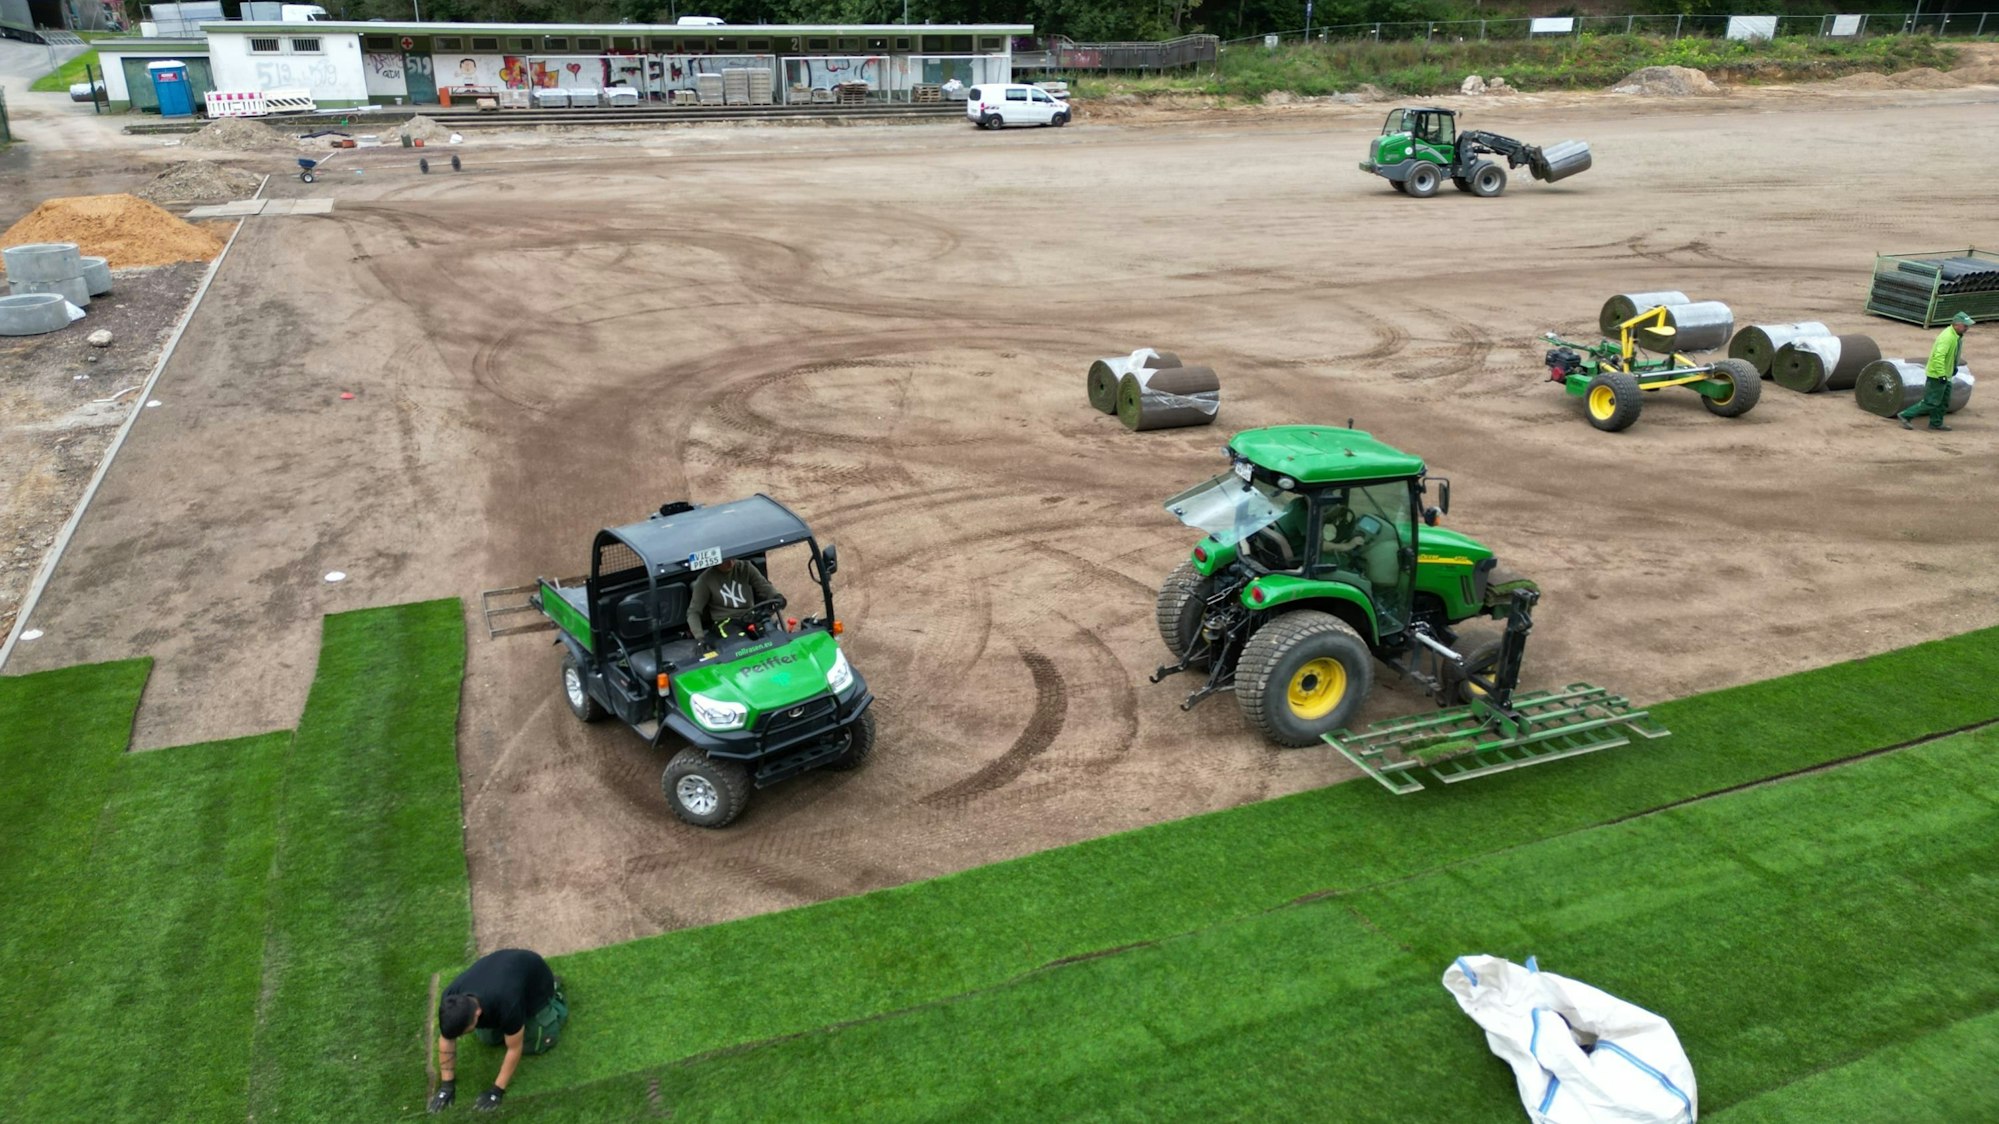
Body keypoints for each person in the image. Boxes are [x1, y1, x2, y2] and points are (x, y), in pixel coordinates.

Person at [428, 949, 567, 1114]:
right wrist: (446, 1086)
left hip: (535, 980)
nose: (460, 1036)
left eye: (463, 1032)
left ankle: (556, 994)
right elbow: (446, 1038)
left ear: (477, 1013)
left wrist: (497, 1090)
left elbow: (514, 1048)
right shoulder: (450, 997)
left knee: (535, 1043)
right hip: (505, 974)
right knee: (488, 1039)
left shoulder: (506, 1002)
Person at [1899, 311, 1973, 432]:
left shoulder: (1956, 336)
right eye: (1965, 325)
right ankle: (1906, 415)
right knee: (1931, 402)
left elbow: (1952, 355)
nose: (1967, 328)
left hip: (1946, 374)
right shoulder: (1947, 337)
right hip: (1937, 375)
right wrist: (1941, 374)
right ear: (1957, 324)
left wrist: (1953, 367)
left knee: (1944, 401)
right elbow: (1939, 357)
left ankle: (1936, 423)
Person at [686, 556, 785, 642]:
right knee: (739, 644)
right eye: (725, 561)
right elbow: (693, 611)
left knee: (771, 636)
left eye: (732, 558)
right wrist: (699, 637)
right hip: (726, 622)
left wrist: (776, 596)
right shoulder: (705, 580)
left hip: (750, 615)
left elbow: (763, 586)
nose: (730, 563)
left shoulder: (746, 567)